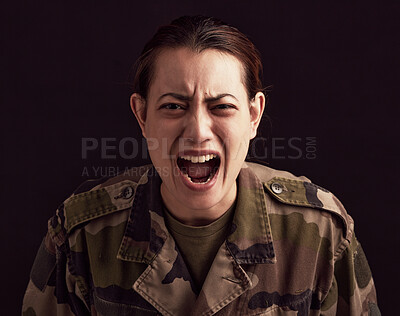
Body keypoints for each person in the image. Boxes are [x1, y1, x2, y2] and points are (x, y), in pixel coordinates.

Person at [22, 15, 380, 316]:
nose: (197, 131)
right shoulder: (79, 234)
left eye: (221, 106)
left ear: (253, 115)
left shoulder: (321, 232)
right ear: (142, 115)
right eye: (174, 106)